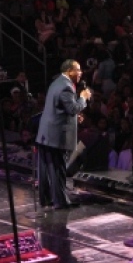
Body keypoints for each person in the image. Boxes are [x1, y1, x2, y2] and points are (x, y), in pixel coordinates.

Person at [36, 59, 91, 209]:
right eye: (78, 70)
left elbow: (61, 109)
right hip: (56, 135)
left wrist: (74, 118)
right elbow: (73, 108)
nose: (81, 73)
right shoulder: (66, 87)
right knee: (58, 168)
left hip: (46, 133)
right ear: (69, 71)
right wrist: (83, 98)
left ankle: (47, 199)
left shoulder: (57, 82)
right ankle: (60, 201)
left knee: (46, 169)